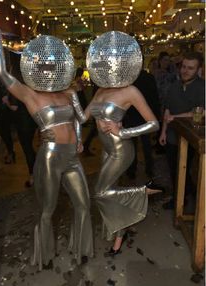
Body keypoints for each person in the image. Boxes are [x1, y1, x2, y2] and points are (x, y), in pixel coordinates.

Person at [0, 12, 93, 270]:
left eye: (52, 63)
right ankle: (45, 256)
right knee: (47, 210)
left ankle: (81, 248)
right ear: (36, 68)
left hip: (72, 156)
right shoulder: (30, 95)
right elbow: (2, 73)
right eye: (43, 64)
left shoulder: (68, 92)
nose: (48, 67)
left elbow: (76, 121)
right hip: (50, 156)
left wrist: (80, 140)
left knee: (83, 204)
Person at [83, 31, 161, 255]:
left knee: (99, 192)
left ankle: (143, 191)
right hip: (106, 149)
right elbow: (82, 118)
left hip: (121, 149)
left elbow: (153, 124)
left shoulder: (130, 90)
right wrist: (72, 95)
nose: (109, 65)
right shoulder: (99, 90)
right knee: (110, 191)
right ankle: (120, 234)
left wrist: (123, 130)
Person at [159, 52, 205, 210]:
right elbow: (167, 111)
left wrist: (174, 117)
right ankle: (183, 195)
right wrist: (163, 132)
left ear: (199, 69)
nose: (185, 71)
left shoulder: (202, 88)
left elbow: (200, 112)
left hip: (192, 136)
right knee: (173, 168)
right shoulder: (174, 86)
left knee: (184, 168)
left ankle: (183, 198)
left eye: (190, 68)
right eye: (184, 67)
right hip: (172, 135)